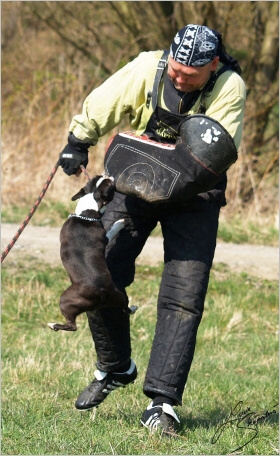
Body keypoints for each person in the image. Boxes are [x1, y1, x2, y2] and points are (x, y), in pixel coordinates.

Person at [59, 24, 246, 436]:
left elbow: (211, 153)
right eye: (176, 70)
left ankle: (162, 404)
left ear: (212, 66)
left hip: (196, 194)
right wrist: (79, 138)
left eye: (190, 75)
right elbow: (109, 97)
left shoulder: (230, 87)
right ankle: (115, 366)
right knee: (99, 273)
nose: (179, 79)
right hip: (135, 182)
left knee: (183, 297)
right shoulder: (149, 67)